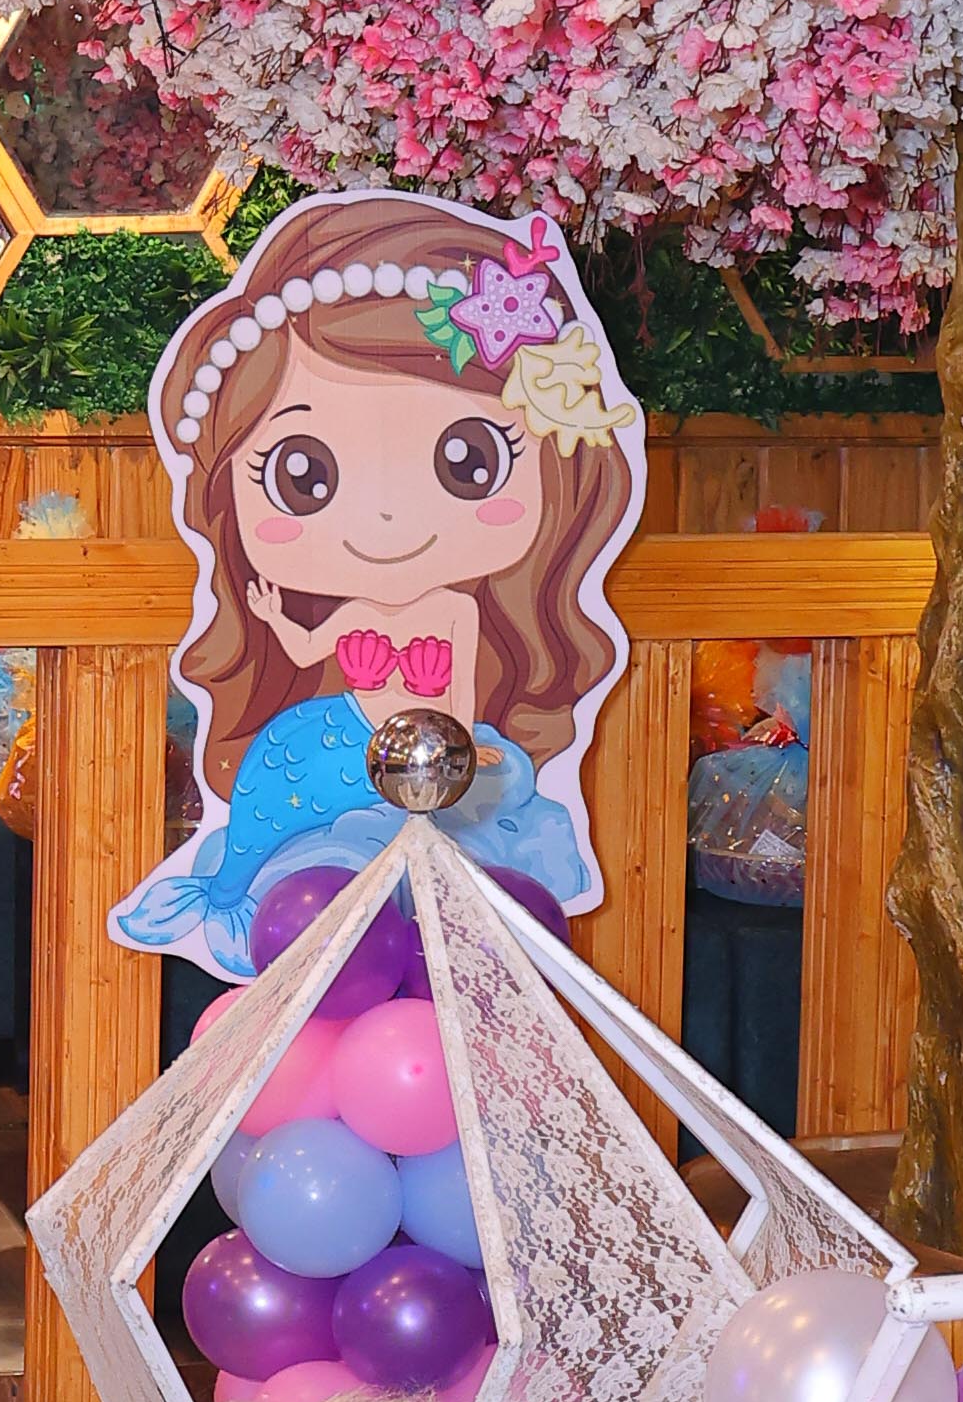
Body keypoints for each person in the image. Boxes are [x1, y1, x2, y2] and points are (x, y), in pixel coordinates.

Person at [113, 191, 643, 977]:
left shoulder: (455, 611)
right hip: (336, 747)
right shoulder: (354, 611)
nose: (388, 520)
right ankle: (227, 897)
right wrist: (274, 615)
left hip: (439, 767)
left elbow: (458, 693)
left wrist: (450, 757)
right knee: (301, 855)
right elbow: (309, 640)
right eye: (304, 476)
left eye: (470, 459)